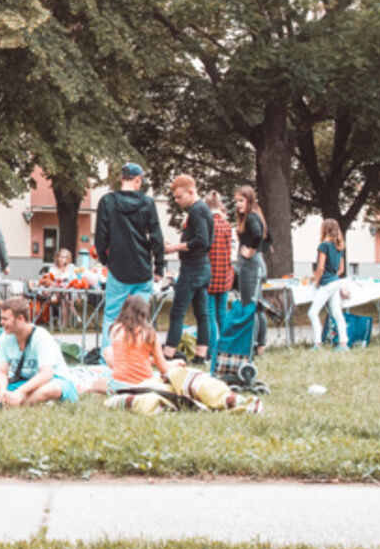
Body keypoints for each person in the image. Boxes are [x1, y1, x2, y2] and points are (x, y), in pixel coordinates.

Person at [104, 294, 261, 415]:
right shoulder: (149, 334)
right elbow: (163, 368)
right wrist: (175, 363)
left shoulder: (115, 329)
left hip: (118, 384)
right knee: (181, 374)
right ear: (144, 314)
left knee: (107, 352)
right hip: (143, 382)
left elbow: (133, 354)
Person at [92, 163, 165, 360]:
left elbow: (100, 236)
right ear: (138, 180)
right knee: (140, 317)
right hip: (142, 267)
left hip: (118, 267)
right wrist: (159, 266)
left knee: (112, 316)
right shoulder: (148, 203)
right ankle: (137, 357)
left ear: (122, 178)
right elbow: (156, 236)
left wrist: (105, 259)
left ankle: (107, 358)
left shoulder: (107, 201)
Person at [0, 295, 76, 407]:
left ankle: (16, 402)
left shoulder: (41, 337)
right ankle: (15, 401)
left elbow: (46, 374)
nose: (1, 322)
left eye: (5, 319)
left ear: (20, 319)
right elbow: (1, 371)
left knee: (49, 390)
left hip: (54, 380)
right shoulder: (4, 337)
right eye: (1, 318)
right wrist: (2, 392)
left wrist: (19, 392)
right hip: (24, 380)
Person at [163, 175, 213, 360]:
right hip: (203, 267)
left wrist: (174, 247)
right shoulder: (204, 209)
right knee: (202, 314)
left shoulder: (196, 211)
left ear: (191, 192)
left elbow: (201, 240)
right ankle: (201, 355)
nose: (177, 201)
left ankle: (168, 354)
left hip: (192, 268)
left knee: (177, 311)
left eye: (179, 197)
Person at [231, 185, 268, 349]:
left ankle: (251, 343)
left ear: (249, 201)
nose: (238, 204)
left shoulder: (251, 217)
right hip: (255, 265)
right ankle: (260, 344)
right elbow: (267, 239)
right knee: (257, 305)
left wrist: (250, 251)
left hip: (250, 267)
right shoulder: (255, 215)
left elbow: (259, 236)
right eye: (236, 201)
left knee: (249, 305)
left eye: (241, 200)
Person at [306, 219, 351, 349]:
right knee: (337, 313)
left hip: (326, 284)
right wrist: (333, 276)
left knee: (313, 312)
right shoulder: (340, 247)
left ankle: (317, 343)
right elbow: (341, 269)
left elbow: (320, 268)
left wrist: (315, 281)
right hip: (335, 281)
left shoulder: (323, 246)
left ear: (325, 229)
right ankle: (343, 343)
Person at [205, 191, 235, 351]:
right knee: (222, 314)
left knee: (209, 315)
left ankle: (211, 349)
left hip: (210, 276)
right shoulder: (227, 225)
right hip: (224, 276)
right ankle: (226, 347)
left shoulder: (207, 224)